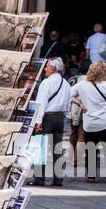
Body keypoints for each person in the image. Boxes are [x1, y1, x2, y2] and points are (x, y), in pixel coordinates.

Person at [72, 60, 106, 182]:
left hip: (89, 123)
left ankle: (91, 175)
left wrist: (80, 103)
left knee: (90, 148)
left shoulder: (82, 85)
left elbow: (69, 94)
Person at [30, 56, 71, 187]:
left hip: (47, 116)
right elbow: (68, 103)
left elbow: (41, 103)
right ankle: (58, 179)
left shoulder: (46, 83)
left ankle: (39, 178)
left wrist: (38, 121)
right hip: (59, 117)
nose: (45, 69)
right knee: (57, 148)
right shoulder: (65, 83)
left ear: (53, 68)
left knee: (39, 146)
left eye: (47, 66)